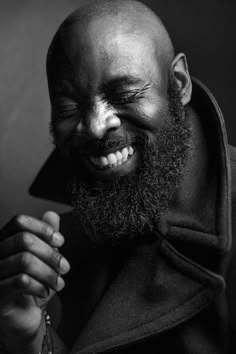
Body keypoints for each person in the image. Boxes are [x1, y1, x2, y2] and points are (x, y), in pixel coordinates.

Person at [0, 0, 236, 353]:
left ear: (179, 83)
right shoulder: (62, 245)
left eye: (124, 94)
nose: (95, 127)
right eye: (69, 107)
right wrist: (29, 338)